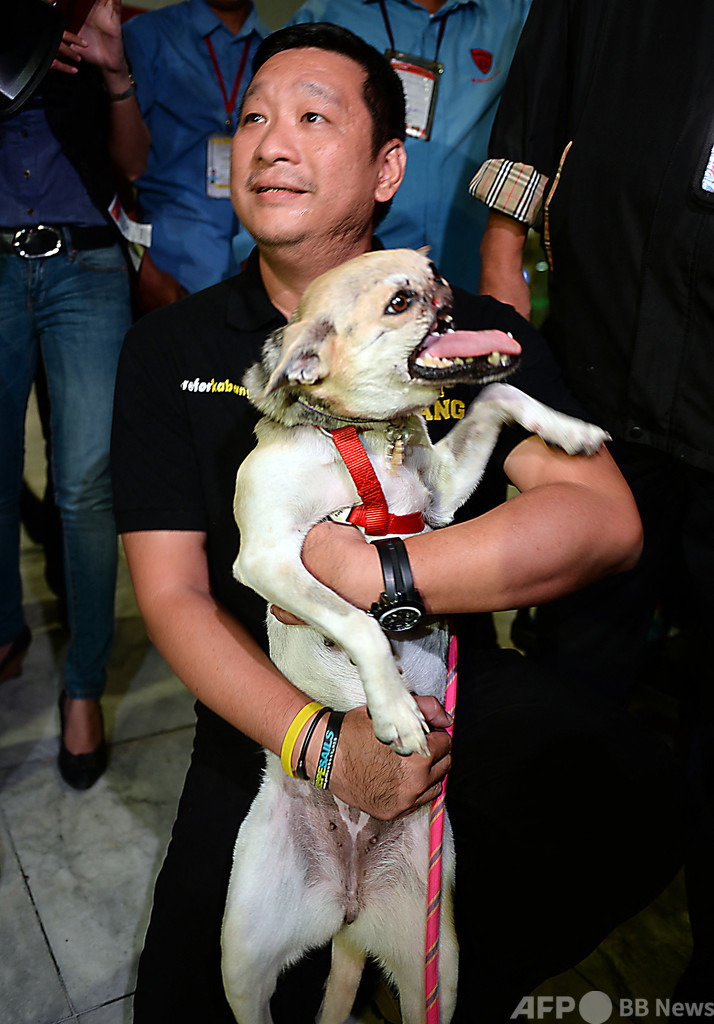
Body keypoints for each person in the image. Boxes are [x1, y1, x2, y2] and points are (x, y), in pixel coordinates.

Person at [111, 23, 684, 1022]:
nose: (269, 143)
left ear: (386, 169)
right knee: (189, 1003)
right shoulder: (173, 348)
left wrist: (390, 573)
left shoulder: (464, 336)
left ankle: (431, 977)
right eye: (254, 117)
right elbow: (174, 596)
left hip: (444, 691)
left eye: (312, 117)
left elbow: (602, 520)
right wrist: (323, 747)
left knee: (637, 796)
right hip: (269, 712)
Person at [471, 0, 714, 1007]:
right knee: (577, 663)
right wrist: (503, 254)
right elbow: (538, 99)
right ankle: (522, 917)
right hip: (603, 378)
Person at [0, 0, 149, 789]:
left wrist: (114, 70)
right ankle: (6, 628)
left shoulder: (93, 19)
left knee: (86, 485)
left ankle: (83, 685)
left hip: (86, 268)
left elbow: (134, 166)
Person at [269, 0, 532, 294]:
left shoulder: (516, 15)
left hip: (471, 272)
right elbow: (277, 129)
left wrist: (506, 261)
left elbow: (538, 125)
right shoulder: (327, 15)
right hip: (345, 285)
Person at [122, 0, 269, 311]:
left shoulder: (275, 49)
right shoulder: (147, 35)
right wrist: (142, 268)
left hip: (257, 271)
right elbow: (115, 163)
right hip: (170, 265)